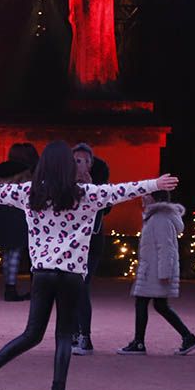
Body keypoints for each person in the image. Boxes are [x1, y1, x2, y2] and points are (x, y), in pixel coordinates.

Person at [0, 141, 178, 390]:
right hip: (71, 274)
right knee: (64, 336)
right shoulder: (86, 195)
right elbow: (122, 191)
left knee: (31, 335)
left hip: (42, 273)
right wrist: (155, 183)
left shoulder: (30, 192)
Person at [117, 190, 195, 355]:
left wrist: (164, 273)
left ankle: (139, 343)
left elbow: (166, 247)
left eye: (146, 195)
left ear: (155, 199)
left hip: (155, 272)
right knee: (160, 305)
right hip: (153, 270)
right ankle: (187, 337)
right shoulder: (156, 218)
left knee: (144, 303)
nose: (143, 198)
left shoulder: (159, 219)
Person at [70, 143, 109, 355]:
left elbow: (107, 207)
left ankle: (85, 337)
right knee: (70, 288)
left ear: (91, 163)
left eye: (85, 161)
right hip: (69, 244)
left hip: (91, 242)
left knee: (82, 286)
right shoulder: (63, 183)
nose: (81, 165)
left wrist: (91, 187)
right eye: (76, 160)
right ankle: (73, 333)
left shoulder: (99, 184)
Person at [0, 143, 39, 302]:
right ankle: (36, 290)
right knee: (32, 254)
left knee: (9, 253)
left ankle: (9, 288)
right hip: (22, 215)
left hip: (2, 214)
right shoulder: (31, 173)